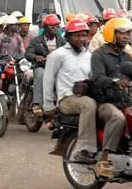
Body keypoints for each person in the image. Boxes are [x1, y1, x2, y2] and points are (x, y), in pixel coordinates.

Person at [43, 19, 98, 166]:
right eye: (77, 36)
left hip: (85, 96)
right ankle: (83, 149)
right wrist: (48, 106)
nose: (81, 39)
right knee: (89, 104)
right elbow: (48, 80)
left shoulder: (90, 56)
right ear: (68, 36)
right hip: (67, 99)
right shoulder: (57, 55)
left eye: (83, 36)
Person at [91, 18, 132, 178]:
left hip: (123, 99)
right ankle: (103, 160)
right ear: (112, 33)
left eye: (128, 33)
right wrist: (114, 82)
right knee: (118, 118)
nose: (126, 36)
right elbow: (97, 78)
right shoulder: (98, 55)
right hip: (104, 101)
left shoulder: (126, 56)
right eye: (122, 33)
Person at [25, 14, 66, 114]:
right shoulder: (36, 40)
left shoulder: (62, 41)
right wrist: (35, 57)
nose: (55, 29)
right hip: (42, 67)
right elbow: (28, 53)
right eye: (52, 27)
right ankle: (37, 104)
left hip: (57, 69)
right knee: (40, 74)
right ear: (45, 27)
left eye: (57, 26)